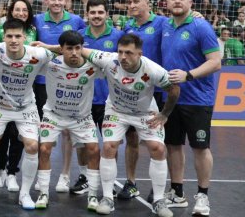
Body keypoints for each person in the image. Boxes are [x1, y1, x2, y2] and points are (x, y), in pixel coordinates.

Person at [45, 34, 179, 217]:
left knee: (158, 149)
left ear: (139, 53)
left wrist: (164, 114)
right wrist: (49, 46)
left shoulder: (153, 70)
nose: (123, 57)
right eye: (121, 52)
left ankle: (158, 200)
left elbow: (174, 89)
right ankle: (107, 198)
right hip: (116, 111)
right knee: (109, 146)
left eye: (129, 53)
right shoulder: (109, 60)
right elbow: (78, 49)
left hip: (144, 112)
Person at [0, 19, 54, 209]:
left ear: (24, 37)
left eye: (17, 36)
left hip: (25, 107)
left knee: (32, 146)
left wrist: (49, 45)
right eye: (9, 36)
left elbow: (64, 50)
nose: (13, 40)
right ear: (3, 37)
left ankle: (25, 194)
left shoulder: (38, 54)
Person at [162, 0, 222, 216]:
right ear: (167, 2)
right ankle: (177, 193)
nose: (177, 1)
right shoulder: (165, 26)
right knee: (173, 145)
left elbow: (216, 62)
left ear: (190, 3)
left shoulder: (201, 26)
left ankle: (203, 196)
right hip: (171, 98)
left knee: (200, 147)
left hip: (197, 99)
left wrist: (189, 75)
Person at [33, 31, 103, 211]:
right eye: (69, 48)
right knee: (44, 149)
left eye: (78, 48)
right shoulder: (51, 64)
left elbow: (113, 61)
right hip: (54, 115)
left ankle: (93, 195)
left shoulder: (92, 66)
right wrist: (50, 48)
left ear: (83, 49)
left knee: (94, 150)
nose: (73, 53)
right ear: (61, 49)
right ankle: (43, 193)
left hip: (82, 118)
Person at [63, 0, 124, 195]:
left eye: (100, 12)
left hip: (110, 100)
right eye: (93, 12)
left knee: (109, 144)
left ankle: (110, 180)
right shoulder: (78, 37)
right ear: (86, 14)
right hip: (83, 99)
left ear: (107, 14)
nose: (96, 16)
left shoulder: (117, 36)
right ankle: (84, 177)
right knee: (82, 142)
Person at [33, 0, 85, 191]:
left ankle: (64, 175)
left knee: (66, 132)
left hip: (68, 82)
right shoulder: (37, 21)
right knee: (42, 130)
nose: (56, 2)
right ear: (46, 1)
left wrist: (50, 48)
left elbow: (81, 46)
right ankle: (41, 175)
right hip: (42, 82)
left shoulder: (76, 21)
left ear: (66, 1)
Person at [119, 0, 170, 199]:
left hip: (156, 91)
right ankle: (131, 182)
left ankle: (159, 187)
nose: (131, 5)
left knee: (155, 142)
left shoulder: (162, 23)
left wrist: (195, 15)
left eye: (136, 2)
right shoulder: (128, 27)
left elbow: (180, 22)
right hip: (132, 90)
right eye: (129, 2)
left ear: (148, 4)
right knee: (132, 139)